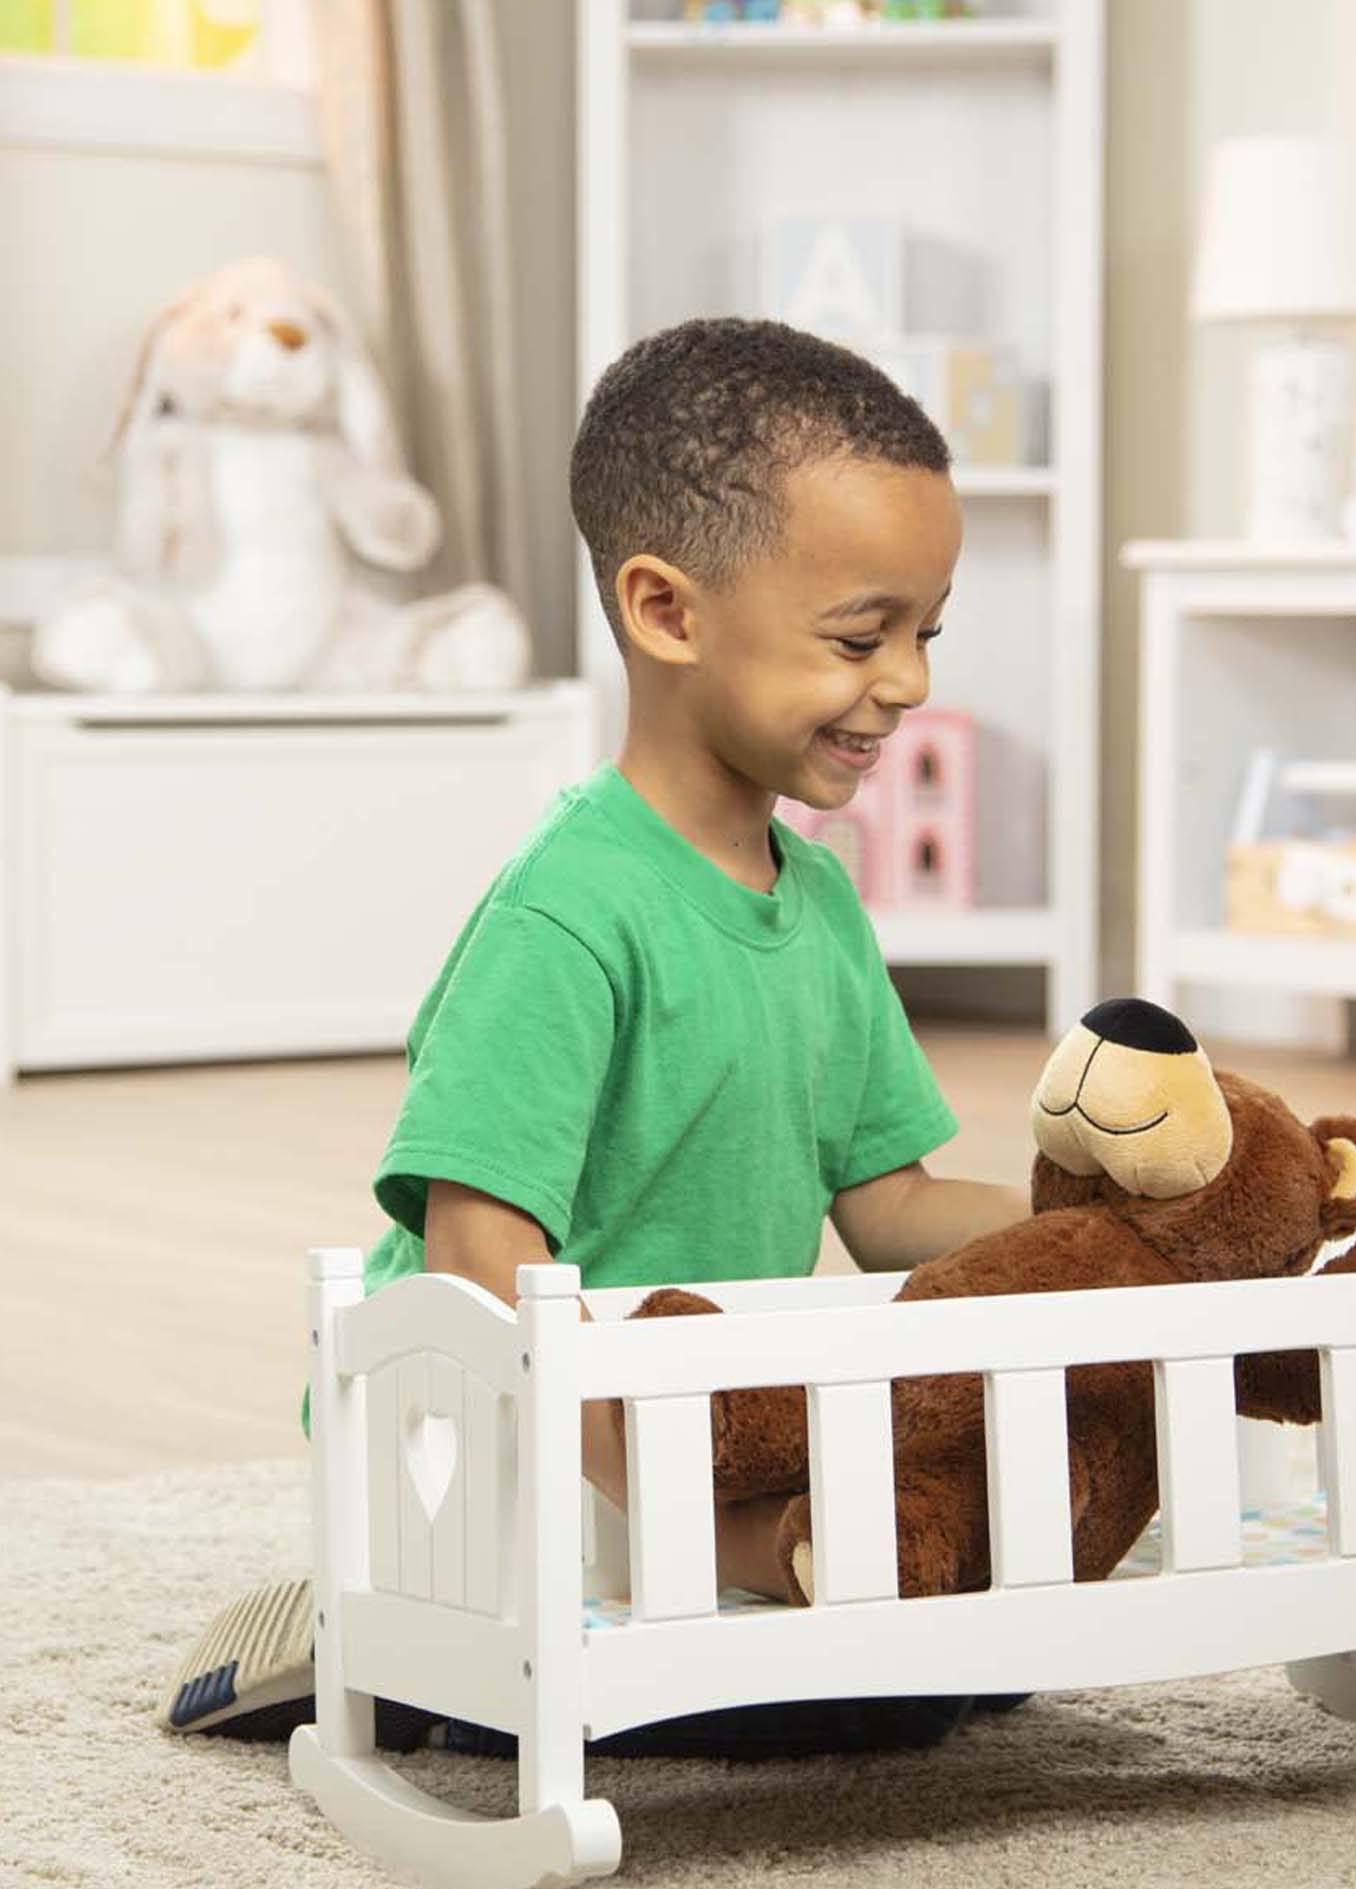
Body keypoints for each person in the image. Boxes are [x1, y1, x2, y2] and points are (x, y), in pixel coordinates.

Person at [161, 319, 1033, 1757]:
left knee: (956, 1629)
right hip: (498, 1451)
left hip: (695, 1422)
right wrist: (705, 1524)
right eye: (859, 637)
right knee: (877, 1692)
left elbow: (889, 1207)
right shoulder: (567, 912)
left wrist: (1103, 1225)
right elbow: (477, 1257)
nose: (910, 683)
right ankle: (405, 1643)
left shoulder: (818, 903)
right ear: (667, 612)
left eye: (925, 634)